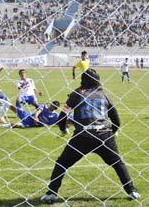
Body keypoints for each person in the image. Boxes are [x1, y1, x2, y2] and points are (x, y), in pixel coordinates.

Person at [41, 68, 140, 204]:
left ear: (83, 80)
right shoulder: (103, 94)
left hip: (82, 136)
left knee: (62, 164)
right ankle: (131, 190)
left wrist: (63, 130)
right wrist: (113, 131)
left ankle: (51, 194)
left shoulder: (76, 94)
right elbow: (116, 118)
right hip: (104, 135)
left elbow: (62, 116)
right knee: (117, 163)